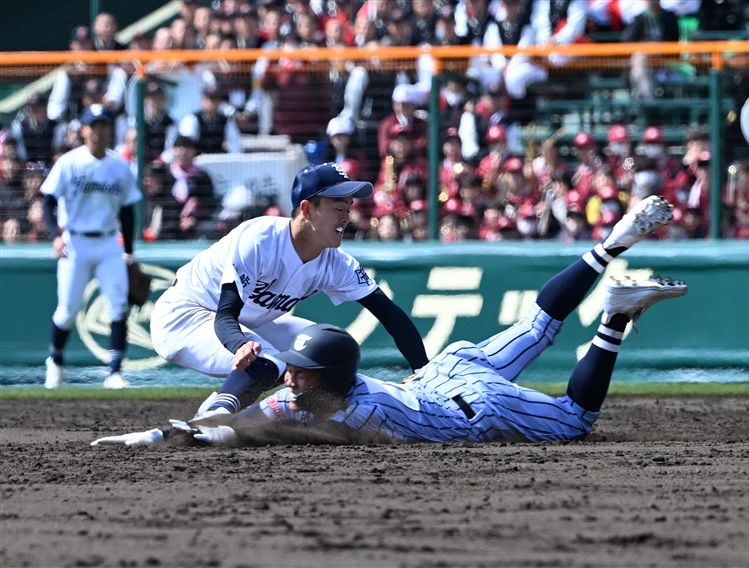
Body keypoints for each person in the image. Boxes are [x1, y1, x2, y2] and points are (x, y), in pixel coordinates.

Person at [92, 195, 684, 447]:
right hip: (443, 372)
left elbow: (232, 431)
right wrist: (157, 435)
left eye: (300, 370)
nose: (290, 376)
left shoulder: (346, 409)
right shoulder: (332, 390)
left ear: (327, 379)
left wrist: (163, 436)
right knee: (540, 325)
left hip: (474, 406)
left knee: (576, 420)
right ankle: (607, 249)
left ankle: (610, 321)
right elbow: (230, 426)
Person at [148, 162, 429, 420]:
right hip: (184, 317)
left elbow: (390, 315)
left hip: (245, 322)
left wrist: (423, 373)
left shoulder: (335, 261)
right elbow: (225, 316)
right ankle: (214, 414)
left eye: (349, 206)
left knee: (325, 351)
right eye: (338, 207)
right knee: (268, 360)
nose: (347, 216)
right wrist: (239, 345)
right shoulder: (260, 239)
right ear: (307, 209)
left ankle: (318, 419)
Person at [40, 105, 142, 389]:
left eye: (103, 125)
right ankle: (55, 361)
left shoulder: (119, 166)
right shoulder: (69, 163)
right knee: (67, 311)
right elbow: (47, 200)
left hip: (109, 242)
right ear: (83, 130)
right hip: (75, 242)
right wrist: (54, 235)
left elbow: (128, 211)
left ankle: (114, 371)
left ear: (111, 129)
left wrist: (129, 252)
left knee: (118, 306)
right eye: (93, 125)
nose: (98, 131)